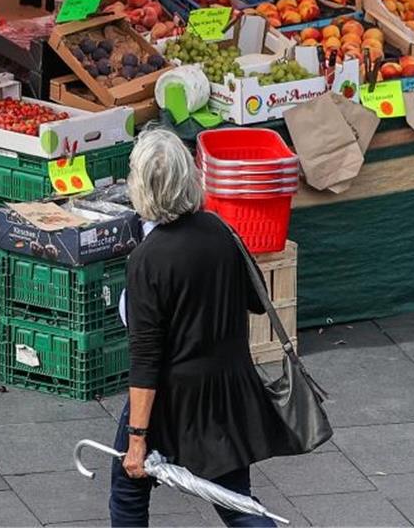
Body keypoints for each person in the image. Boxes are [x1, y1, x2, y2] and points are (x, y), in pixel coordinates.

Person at [110, 129, 297, 527]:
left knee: (128, 494)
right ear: (190, 177)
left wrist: (137, 439)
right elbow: (256, 300)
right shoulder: (220, 231)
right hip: (227, 391)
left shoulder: (147, 259)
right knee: (235, 501)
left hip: (172, 399)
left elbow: (145, 359)